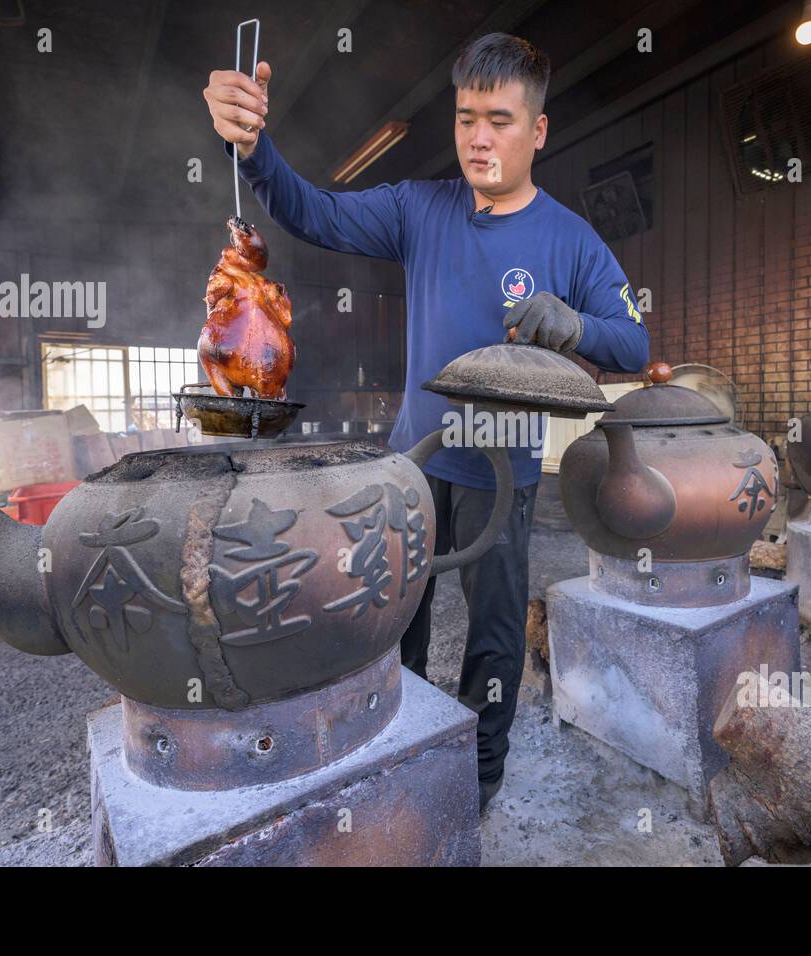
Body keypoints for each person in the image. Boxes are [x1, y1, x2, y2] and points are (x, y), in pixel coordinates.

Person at [204, 32, 648, 813]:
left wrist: (576, 325)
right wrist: (253, 149)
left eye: (500, 120)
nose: (479, 137)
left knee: (494, 631)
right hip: (412, 458)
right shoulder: (419, 208)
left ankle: (480, 774)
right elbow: (312, 212)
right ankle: (396, 748)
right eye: (467, 117)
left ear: (538, 130)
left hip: (502, 471)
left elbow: (635, 342)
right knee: (390, 613)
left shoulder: (570, 239)